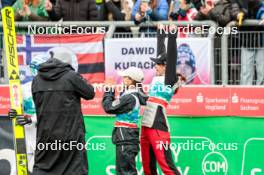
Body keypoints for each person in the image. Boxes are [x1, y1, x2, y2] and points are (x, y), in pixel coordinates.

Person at [32, 48, 95, 174]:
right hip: (71, 134)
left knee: (45, 167)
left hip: (46, 135)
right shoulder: (71, 76)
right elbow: (90, 93)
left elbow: (37, 104)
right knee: (75, 168)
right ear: (67, 62)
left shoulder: (37, 79)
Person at [140, 26, 185, 175]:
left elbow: (171, 56)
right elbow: (161, 53)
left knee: (166, 165)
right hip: (146, 123)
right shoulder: (157, 76)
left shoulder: (170, 78)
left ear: (166, 67)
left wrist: (172, 36)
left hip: (158, 124)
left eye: (159, 64)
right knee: (147, 165)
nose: (155, 66)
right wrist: (160, 34)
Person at [102, 67, 147, 175]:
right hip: (128, 138)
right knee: (125, 171)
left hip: (126, 138)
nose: (122, 79)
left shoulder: (129, 98)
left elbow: (108, 107)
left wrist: (109, 90)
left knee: (125, 172)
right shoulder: (132, 95)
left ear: (131, 80)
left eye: (125, 77)